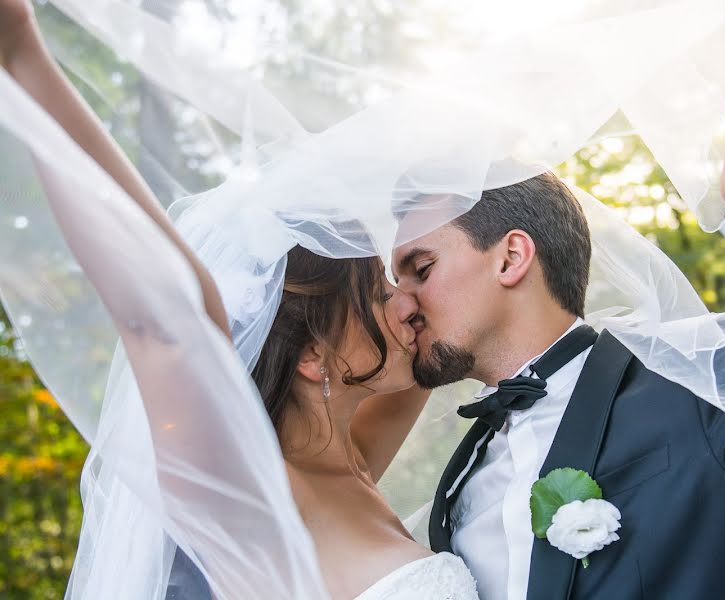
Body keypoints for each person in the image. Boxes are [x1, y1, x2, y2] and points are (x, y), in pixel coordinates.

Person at [392, 1, 725, 598]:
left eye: (419, 269)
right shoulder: (462, 476)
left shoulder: (701, 379)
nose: (402, 302)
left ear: (511, 257)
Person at [0, 2, 478, 598]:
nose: (410, 302)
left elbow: (452, 319)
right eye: (382, 294)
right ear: (313, 355)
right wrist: (21, 50)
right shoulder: (256, 494)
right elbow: (169, 321)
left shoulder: (351, 461)